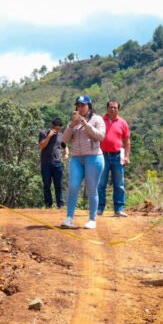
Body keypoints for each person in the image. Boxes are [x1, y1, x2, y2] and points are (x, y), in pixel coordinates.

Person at [61, 95, 105, 229]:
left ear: (89, 106)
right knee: (73, 187)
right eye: (78, 105)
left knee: (91, 189)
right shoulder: (73, 122)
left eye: (83, 105)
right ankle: (69, 218)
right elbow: (65, 139)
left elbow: (100, 136)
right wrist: (72, 125)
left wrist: (85, 124)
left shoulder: (97, 119)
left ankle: (92, 219)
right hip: (76, 158)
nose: (80, 108)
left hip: (93, 157)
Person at [97, 101, 131, 217]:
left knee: (119, 184)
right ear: (107, 108)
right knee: (101, 183)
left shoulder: (122, 123)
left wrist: (126, 156)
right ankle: (99, 208)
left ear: (118, 109)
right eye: (111, 107)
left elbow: (127, 142)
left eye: (115, 108)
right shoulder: (100, 121)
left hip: (117, 156)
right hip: (103, 155)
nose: (113, 109)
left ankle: (119, 209)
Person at [38, 117, 69, 209]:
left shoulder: (61, 135)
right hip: (46, 163)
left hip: (57, 163)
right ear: (52, 126)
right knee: (47, 184)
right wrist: (49, 136)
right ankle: (48, 204)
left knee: (58, 185)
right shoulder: (43, 133)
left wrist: (66, 154)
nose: (57, 130)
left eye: (59, 128)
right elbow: (41, 146)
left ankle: (60, 205)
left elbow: (65, 146)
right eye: (56, 128)